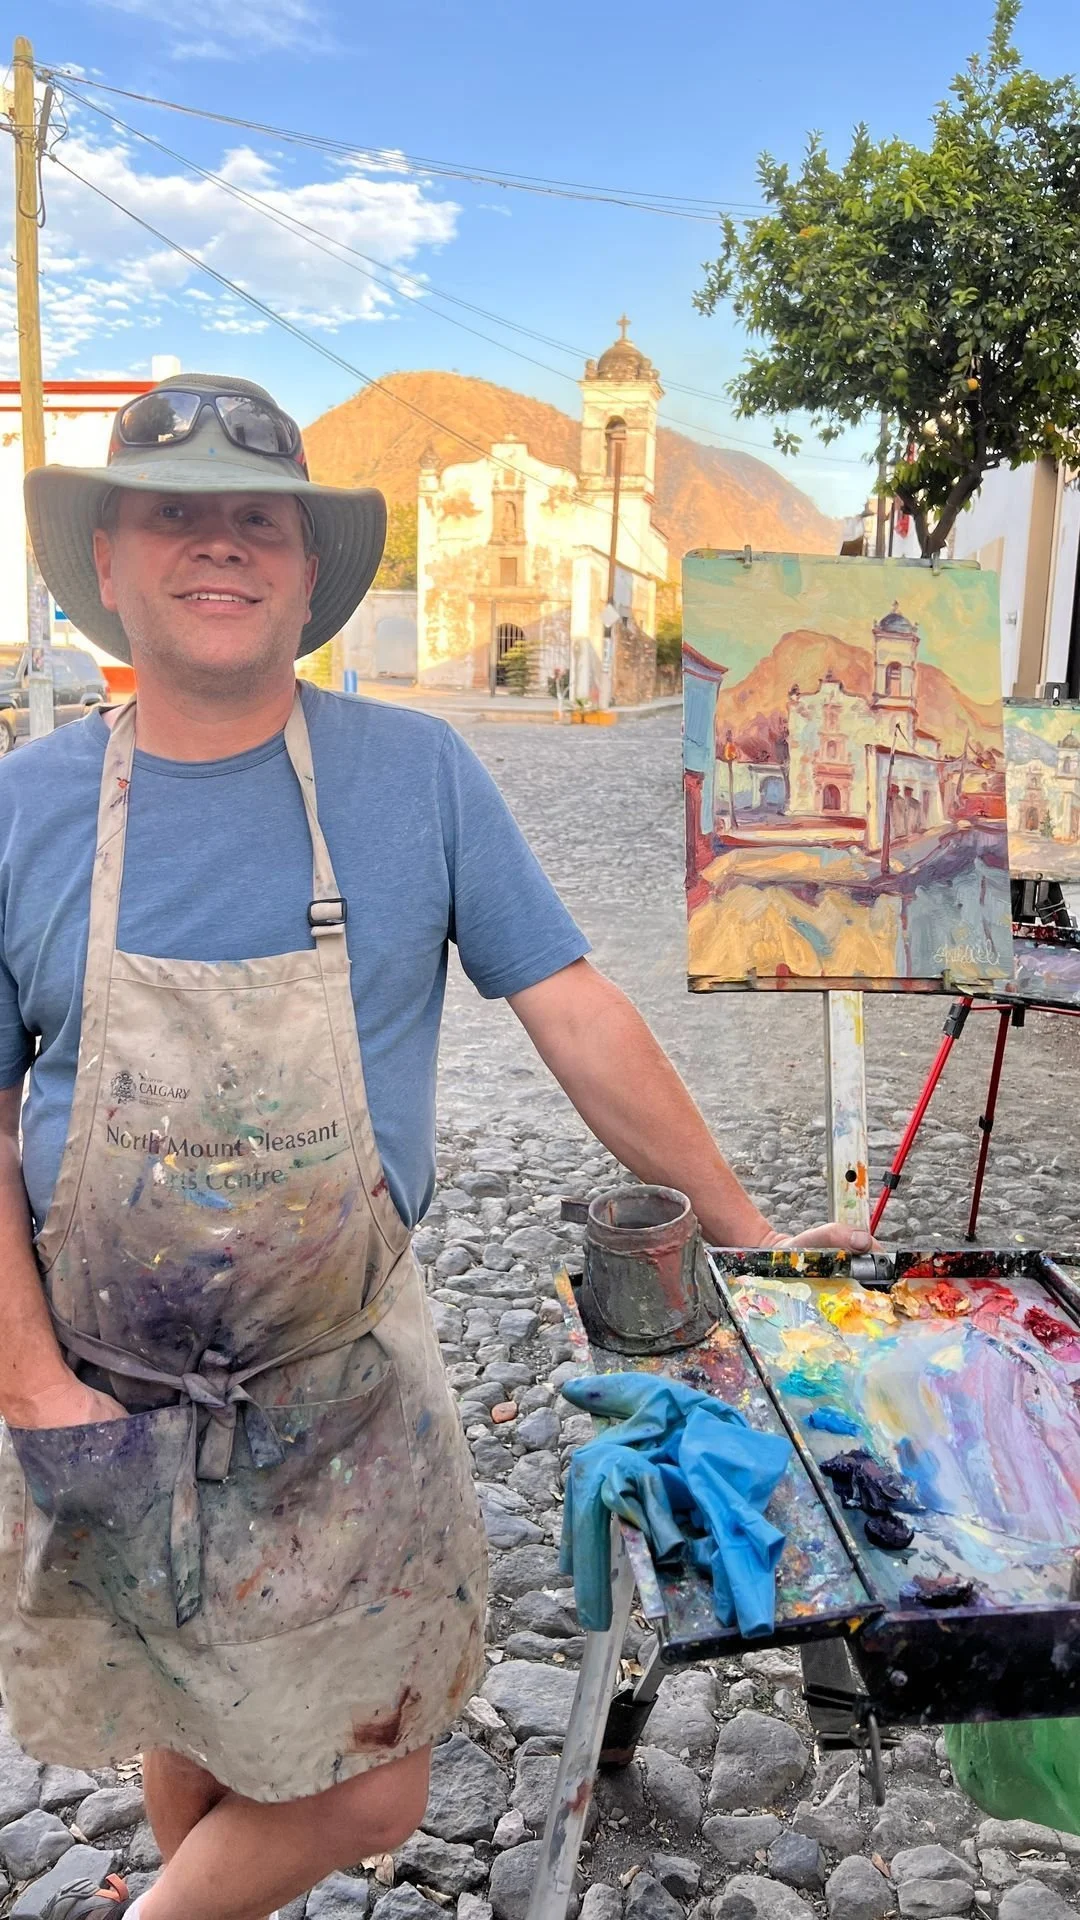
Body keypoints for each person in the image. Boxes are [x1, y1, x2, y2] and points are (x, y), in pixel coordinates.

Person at [0, 372, 871, 1920]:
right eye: (175, 521)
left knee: (377, 1778)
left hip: (345, 1389)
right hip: (112, 1383)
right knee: (181, 1703)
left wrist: (754, 1240)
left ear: (306, 571)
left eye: (254, 521)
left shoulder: (417, 779)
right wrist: (33, 1382)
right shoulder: (25, 810)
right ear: (112, 565)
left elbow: (579, 1011)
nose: (219, 551)